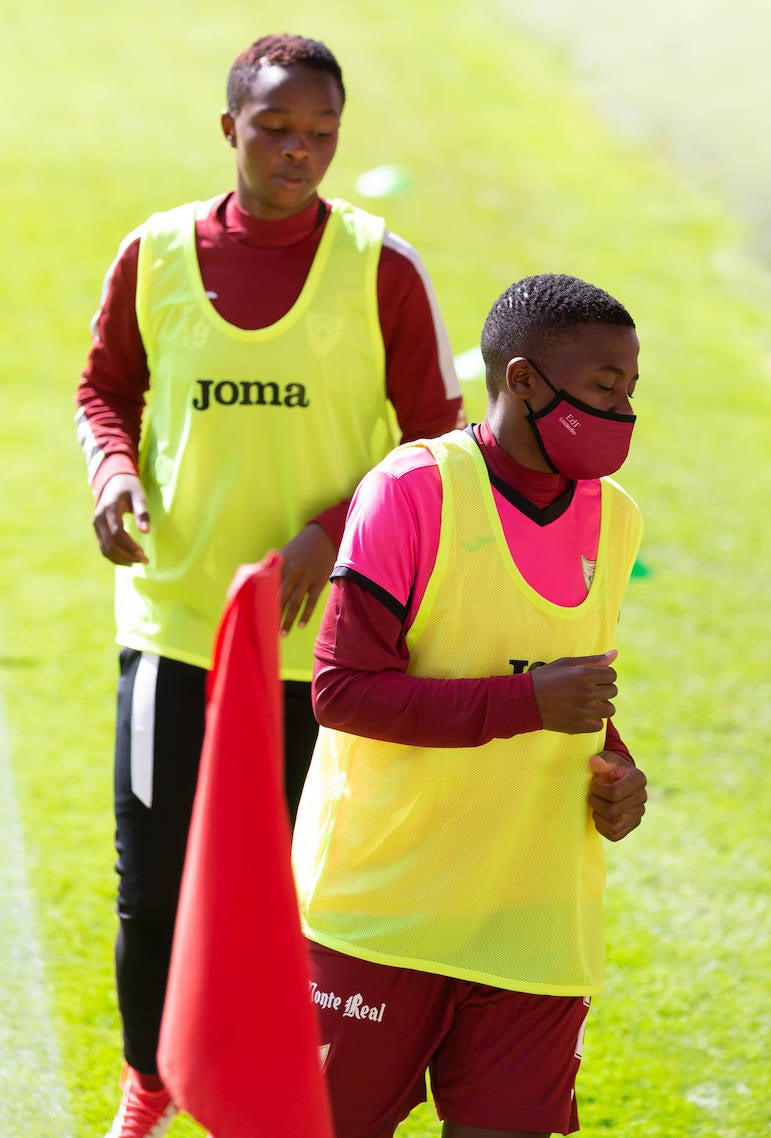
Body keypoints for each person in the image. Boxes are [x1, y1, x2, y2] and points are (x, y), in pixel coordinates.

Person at [74, 33, 464, 1138]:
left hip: (322, 651)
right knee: (153, 883)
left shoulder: (381, 266)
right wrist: (111, 472)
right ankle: (149, 1083)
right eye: (277, 130)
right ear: (228, 128)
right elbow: (105, 388)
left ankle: (282, 1095)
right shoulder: (152, 254)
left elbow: (438, 443)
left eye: (322, 134)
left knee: (306, 897)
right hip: (177, 627)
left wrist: (334, 535)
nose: (300, 154)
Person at [292, 272, 649, 1138]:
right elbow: (341, 690)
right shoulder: (411, 490)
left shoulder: (617, 520)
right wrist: (529, 703)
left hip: (533, 916)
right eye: (605, 388)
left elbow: (570, 686)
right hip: (383, 909)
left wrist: (621, 769)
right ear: (523, 379)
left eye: (632, 389)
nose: (624, 411)